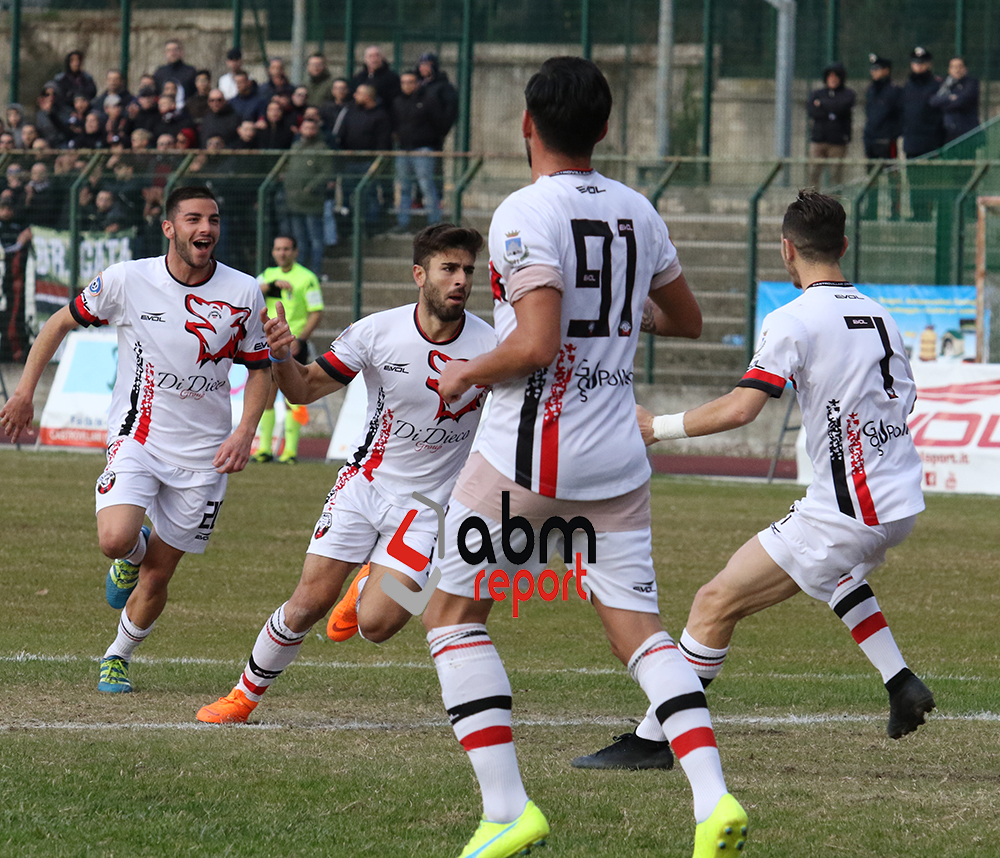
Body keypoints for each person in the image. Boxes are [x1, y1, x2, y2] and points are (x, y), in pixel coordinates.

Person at [420, 56, 746, 858]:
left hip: (527, 458)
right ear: (605, 128)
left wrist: (467, 368)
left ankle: (506, 810)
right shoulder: (640, 209)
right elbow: (689, 320)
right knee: (641, 632)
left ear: (526, 124)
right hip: (618, 461)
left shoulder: (525, 210)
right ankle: (713, 800)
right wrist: (615, 324)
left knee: (453, 616)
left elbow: (533, 345)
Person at [590, 190, 934, 774]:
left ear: (785, 251)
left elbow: (743, 409)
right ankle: (901, 682)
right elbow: (905, 396)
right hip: (898, 497)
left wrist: (658, 427)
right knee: (836, 574)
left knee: (714, 602)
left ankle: (654, 740)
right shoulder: (882, 315)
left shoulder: (793, 319)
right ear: (843, 246)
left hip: (848, 507)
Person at [194, 223, 495, 724]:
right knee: (309, 602)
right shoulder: (377, 331)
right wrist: (282, 355)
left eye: (467, 270)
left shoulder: (493, 345)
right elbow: (304, 390)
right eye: (449, 269)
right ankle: (242, 698)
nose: (461, 280)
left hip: (430, 508)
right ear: (420, 275)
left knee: (376, 626)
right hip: (364, 486)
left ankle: (369, 584)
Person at [0, 186, 271, 693]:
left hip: (207, 455)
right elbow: (60, 323)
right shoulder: (127, 280)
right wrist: (24, 393)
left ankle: (117, 656)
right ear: (168, 228)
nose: (205, 229)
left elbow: (260, 369)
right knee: (115, 540)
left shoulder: (243, 292)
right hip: (138, 435)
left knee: (159, 576)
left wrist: (244, 431)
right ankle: (132, 549)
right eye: (193, 219)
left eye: (213, 219)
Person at [251, 235, 324, 464]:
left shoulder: (307, 278)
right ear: (273, 252)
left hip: (293, 344)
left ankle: (290, 450)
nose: (281, 253)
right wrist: (270, 286)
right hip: (269, 343)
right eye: (278, 249)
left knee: (294, 396)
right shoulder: (268, 275)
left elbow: (316, 311)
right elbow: (249, 291)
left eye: (286, 249)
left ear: (295, 252)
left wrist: (300, 339)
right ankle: (264, 448)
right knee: (267, 395)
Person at [391, 70, 444, 234]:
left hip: (423, 149)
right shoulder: (398, 102)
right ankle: (403, 222)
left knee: (426, 185)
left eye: (410, 82)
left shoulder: (428, 101)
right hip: (404, 149)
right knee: (404, 188)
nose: (407, 86)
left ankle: (434, 222)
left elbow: (438, 123)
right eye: (404, 82)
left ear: (417, 83)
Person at [283, 117, 330, 276]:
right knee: (299, 241)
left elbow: (326, 173)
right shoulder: (296, 147)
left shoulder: (322, 149)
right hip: (294, 202)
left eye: (312, 128)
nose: (308, 131)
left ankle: (316, 272)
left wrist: (310, 188)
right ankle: (300, 273)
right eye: (305, 128)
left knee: (315, 239)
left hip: (312, 203)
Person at [807, 62, 855, 188]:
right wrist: (832, 109)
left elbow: (842, 107)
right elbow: (812, 111)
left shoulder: (848, 94)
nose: (833, 79)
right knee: (813, 174)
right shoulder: (817, 93)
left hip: (838, 141)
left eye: (836, 76)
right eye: (830, 76)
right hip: (819, 139)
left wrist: (822, 104)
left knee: (836, 177)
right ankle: (812, 204)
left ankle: (834, 205)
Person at [0, 191, 32, 362]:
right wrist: (20, 243)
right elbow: (5, 251)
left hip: (9, 283)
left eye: (8, 208)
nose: (5, 212)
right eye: (2, 208)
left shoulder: (17, 226)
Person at [929, 57, 980, 144]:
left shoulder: (972, 83)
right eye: (954, 67)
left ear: (965, 68)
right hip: (947, 132)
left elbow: (961, 101)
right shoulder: (945, 84)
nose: (957, 70)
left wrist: (944, 103)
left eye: (960, 67)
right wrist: (949, 98)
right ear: (949, 69)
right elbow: (933, 101)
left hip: (966, 132)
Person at [349, 46, 401, 117]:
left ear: (382, 58)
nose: (374, 59)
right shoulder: (358, 78)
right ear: (365, 59)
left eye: (377, 55)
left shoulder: (392, 78)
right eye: (370, 56)